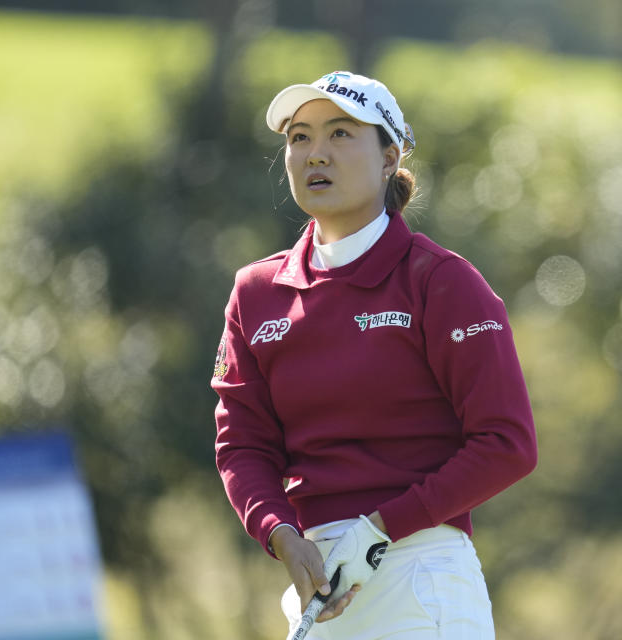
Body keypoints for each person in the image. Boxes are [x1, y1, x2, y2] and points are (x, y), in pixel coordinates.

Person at [211, 70, 537, 639]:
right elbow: (242, 445)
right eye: (300, 138)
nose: (316, 154)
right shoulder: (256, 294)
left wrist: (382, 527)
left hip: (422, 571)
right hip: (319, 581)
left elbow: (507, 443)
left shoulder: (441, 282)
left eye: (340, 135)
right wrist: (281, 537)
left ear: (390, 158)